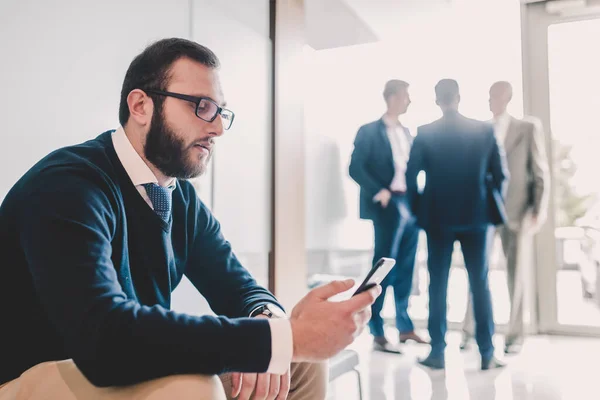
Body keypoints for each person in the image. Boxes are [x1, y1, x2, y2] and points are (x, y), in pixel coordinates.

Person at [0, 38, 381, 400]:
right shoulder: (68, 185)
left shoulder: (178, 198)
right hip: (28, 376)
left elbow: (238, 288)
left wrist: (273, 324)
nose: (216, 127)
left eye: (220, 112)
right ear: (140, 106)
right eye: (201, 106)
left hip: (110, 366)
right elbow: (104, 338)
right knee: (190, 387)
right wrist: (284, 338)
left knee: (297, 366)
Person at [405, 79, 508, 370]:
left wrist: (417, 212)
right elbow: (501, 175)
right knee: (481, 283)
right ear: (459, 98)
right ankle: (487, 353)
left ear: (437, 100)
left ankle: (437, 352)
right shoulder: (483, 130)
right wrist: (490, 202)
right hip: (478, 217)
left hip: (437, 218)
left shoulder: (425, 132)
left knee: (437, 283)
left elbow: (411, 177)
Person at [461, 81, 549, 354]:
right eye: (489, 96)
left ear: (507, 98)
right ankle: (469, 331)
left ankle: (514, 335)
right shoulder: (481, 130)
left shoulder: (527, 127)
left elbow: (539, 170)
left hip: (517, 212)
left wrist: (537, 209)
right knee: (478, 273)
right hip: (484, 214)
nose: (491, 100)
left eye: (496, 96)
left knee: (516, 275)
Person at [349, 80, 426, 354]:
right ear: (392, 98)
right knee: (384, 268)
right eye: (405, 96)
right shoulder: (369, 131)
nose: (409, 101)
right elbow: (355, 167)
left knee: (407, 268)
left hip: (410, 205)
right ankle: (377, 330)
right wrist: (379, 191)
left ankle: (405, 328)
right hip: (387, 204)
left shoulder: (408, 132)